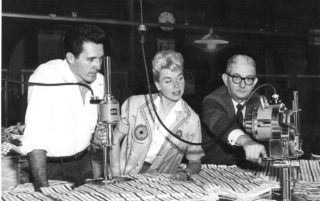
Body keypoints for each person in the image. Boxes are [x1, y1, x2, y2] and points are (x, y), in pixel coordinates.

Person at [21, 24, 106, 191]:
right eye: (91, 59)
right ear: (70, 57)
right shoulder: (46, 76)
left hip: (84, 163)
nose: (98, 65)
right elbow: (35, 137)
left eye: (101, 58)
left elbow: (91, 128)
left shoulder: (100, 81)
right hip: (51, 169)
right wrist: (42, 187)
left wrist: (98, 135)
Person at [109, 50, 204, 181]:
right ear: (158, 85)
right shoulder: (134, 104)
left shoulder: (192, 120)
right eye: (168, 80)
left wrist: (185, 173)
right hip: (125, 175)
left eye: (180, 78)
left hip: (161, 182)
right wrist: (116, 176)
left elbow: (195, 162)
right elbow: (114, 140)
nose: (176, 85)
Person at [202, 54, 267, 166]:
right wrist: (247, 141)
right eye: (236, 77)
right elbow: (220, 123)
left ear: (254, 82)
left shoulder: (260, 103)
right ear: (226, 79)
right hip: (214, 169)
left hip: (250, 170)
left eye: (248, 79)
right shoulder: (212, 100)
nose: (242, 84)